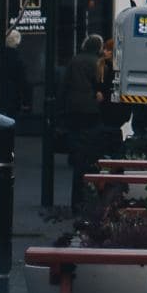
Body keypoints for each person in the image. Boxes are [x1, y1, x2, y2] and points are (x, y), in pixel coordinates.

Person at [60, 33, 106, 215]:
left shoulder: (74, 60)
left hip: (74, 108)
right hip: (92, 109)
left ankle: (75, 156)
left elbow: (64, 86)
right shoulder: (98, 63)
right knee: (89, 150)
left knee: (77, 144)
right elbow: (100, 84)